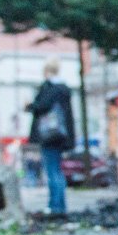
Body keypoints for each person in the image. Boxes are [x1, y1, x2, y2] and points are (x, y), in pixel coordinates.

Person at [27, 60, 75, 215]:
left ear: (47, 70)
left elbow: (41, 106)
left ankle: (55, 206)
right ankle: (60, 205)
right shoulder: (64, 89)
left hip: (49, 136)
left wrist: (29, 106)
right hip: (61, 135)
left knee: (52, 171)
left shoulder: (50, 88)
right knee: (57, 171)